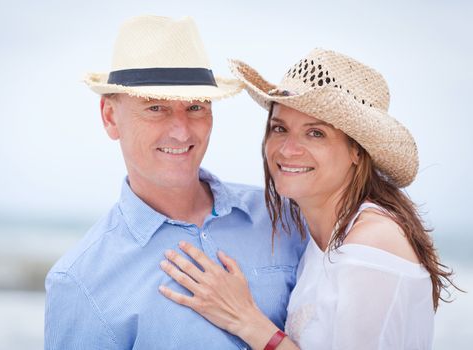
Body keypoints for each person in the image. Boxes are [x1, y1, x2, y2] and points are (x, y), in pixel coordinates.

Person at [159, 48, 457, 349]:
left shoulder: (371, 242)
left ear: (357, 150)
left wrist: (246, 321)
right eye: (280, 128)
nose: (288, 150)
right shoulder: (321, 235)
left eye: (315, 133)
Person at [44, 15, 307, 350]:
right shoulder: (80, 281)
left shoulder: (286, 218)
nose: (182, 132)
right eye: (156, 108)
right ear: (110, 118)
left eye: (196, 107)